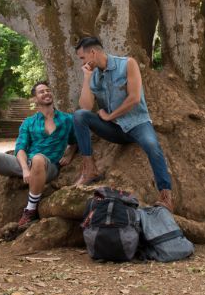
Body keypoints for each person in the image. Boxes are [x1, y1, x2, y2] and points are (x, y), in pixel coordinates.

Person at [0, 81, 75, 235]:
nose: (46, 93)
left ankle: (30, 212)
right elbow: (20, 149)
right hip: (27, 163)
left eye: (48, 90)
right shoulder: (29, 122)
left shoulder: (67, 119)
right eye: (41, 92)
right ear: (34, 99)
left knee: (39, 159)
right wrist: (25, 169)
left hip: (48, 166)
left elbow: (76, 141)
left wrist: (70, 154)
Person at [72, 36, 174, 212]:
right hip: (115, 130)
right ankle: (89, 169)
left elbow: (134, 98)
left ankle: (166, 197)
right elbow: (86, 106)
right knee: (79, 116)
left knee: (152, 145)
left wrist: (110, 116)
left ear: (93, 53)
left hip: (137, 123)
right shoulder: (95, 76)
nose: (81, 62)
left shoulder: (128, 64)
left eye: (82, 57)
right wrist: (87, 78)